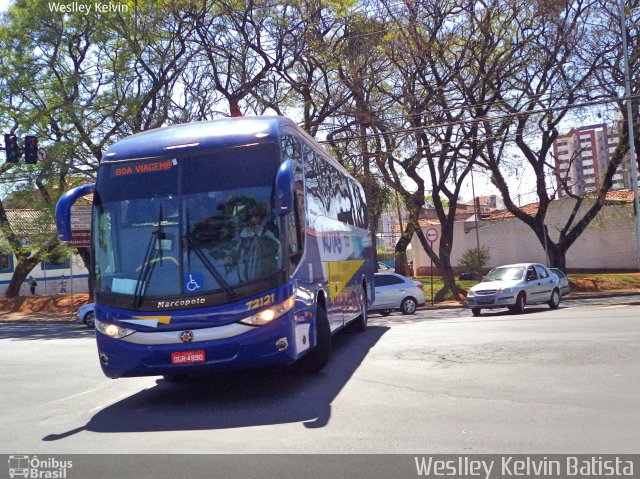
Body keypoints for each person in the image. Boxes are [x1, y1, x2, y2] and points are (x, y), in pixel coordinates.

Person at [238, 208, 280, 282]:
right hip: (247, 271)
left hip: (263, 269)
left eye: (256, 217)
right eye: (251, 218)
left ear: (259, 220)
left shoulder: (265, 233)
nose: (253, 220)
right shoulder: (244, 232)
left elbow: (278, 246)